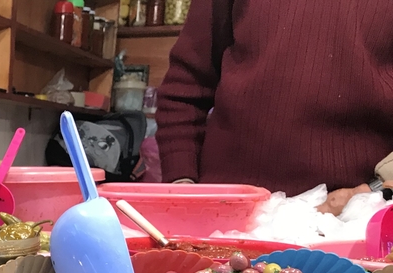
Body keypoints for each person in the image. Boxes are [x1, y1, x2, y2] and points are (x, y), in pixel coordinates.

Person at [155, 0, 393, 214]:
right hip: (225, 216)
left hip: (356, 221)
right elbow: (186, 87)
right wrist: (182, 184)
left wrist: (373, 192)